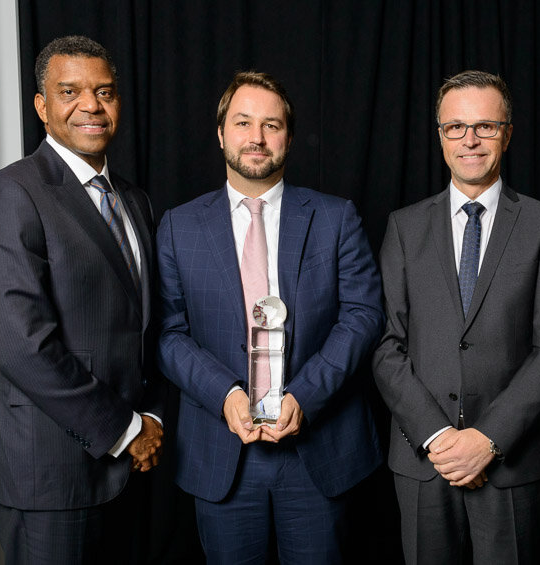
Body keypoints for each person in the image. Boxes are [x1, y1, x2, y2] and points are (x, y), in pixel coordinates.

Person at [156, 71, 384, 564]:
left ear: (289, 137)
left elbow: (363, 315)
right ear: (221, 134)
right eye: (242, 122)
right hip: (222, 452)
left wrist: (306, 394)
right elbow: (170, 335)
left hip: (318, 450)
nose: (256, 138)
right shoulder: (178, 226)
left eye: (271, 125)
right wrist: (226, 395)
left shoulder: (335, 216)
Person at [0, 35, 164, 565]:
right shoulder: (11, 192)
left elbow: (143, 327)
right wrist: (125, 431)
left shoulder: (134, 200)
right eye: (70, 91)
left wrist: (153, 420)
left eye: (104, 91)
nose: (91, 106)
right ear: (42, 106)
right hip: (48, 471)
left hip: (128, 466)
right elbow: (22, 345)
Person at [373, 70, 540, 564]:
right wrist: (440, 438)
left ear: (507, 132)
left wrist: (487, 439)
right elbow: (384, 344)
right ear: (439, 134)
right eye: (455, 127)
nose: (470, 140)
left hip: (511, 463)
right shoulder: (403, 226)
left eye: (485, 125)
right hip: (424, 460)